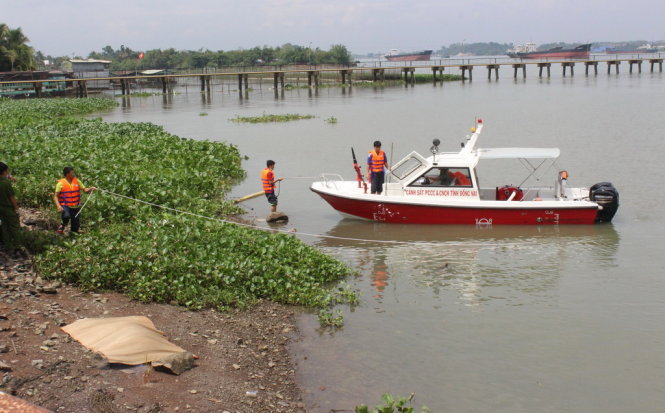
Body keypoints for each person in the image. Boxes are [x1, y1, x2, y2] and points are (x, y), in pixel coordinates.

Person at [53, 166, 96, 234]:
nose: (74, 174)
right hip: (65, 205)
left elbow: (85, 190)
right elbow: (55, 196)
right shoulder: (60, 183)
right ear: (67, 174)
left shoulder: (77, 181)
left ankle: (73, 233)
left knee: (75, 227)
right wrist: (58, 206)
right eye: (72, 173)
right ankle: (62, 225)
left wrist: (90, 188)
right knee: (66, 216)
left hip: (76, 206)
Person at [0, 162, 20, 252]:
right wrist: (16, 208)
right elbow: (11, 197)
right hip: (8, 208)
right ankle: (18, 246)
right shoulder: (6, 183)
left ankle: (8, 246)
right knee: (14, 226)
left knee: (4, 227)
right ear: (4, 171)